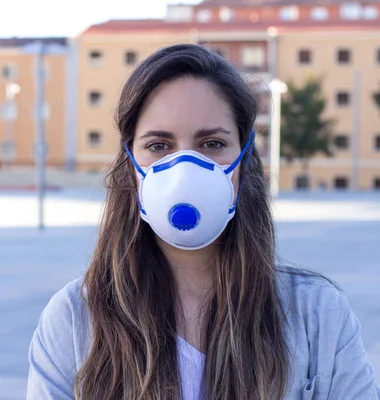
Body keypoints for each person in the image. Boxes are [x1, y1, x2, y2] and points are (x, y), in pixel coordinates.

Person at [26, 44, 379, 399]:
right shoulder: (74, 320)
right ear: (130, 165)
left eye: (211, 143)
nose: (185, 170)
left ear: (243, 160)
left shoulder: (317, 315)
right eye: (159, 146)